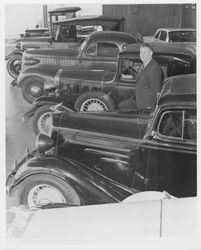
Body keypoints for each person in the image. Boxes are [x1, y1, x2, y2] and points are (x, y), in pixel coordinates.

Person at [118, 43, 162, 111]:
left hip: (145, 105)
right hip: (138, 99)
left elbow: (156, 90)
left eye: (144, 53)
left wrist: (150, 106)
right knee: (121, 106)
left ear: (150, 54)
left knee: (122, 109)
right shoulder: (142, 65)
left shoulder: (154, 68)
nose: (141, 55)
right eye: (141, 52)